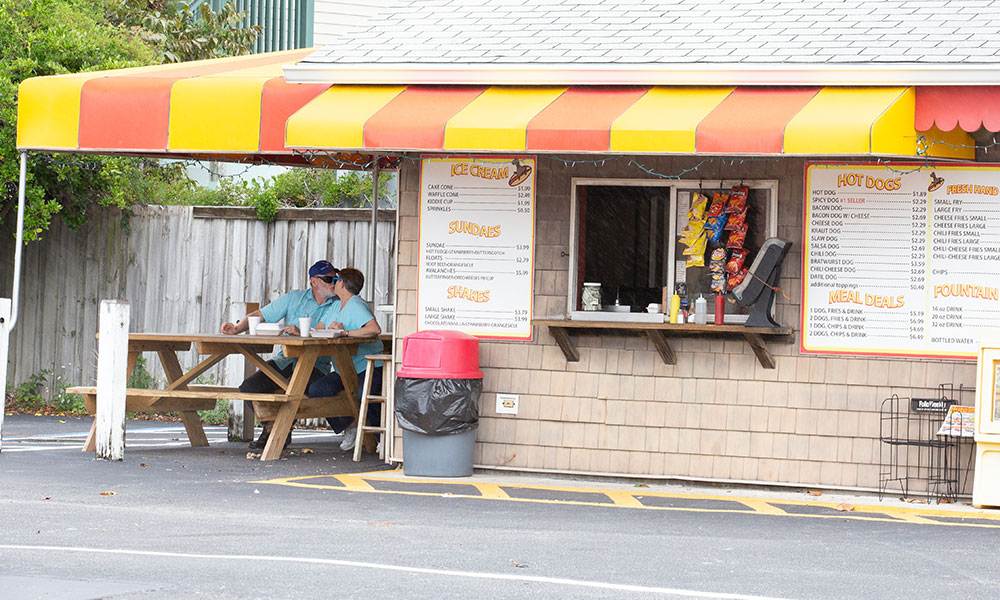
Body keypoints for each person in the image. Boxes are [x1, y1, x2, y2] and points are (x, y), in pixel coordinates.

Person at [221, 260, 340, 450]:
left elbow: (326, 328)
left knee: (292, 389)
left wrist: (301, 331)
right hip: (285, 360)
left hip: (316, 365)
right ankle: (271, 428)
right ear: (314, 281)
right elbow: (262, 314)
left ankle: (277, 433)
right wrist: (236, 329)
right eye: (328, 278)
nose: (334, 282)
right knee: (249, 387)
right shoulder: (294, 298)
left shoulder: (338, 304)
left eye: (336, 277)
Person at [306, 267, 383, 451]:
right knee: (317, 389)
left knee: (364, 395)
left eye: (336, 280)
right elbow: (317, 329)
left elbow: (374, 329)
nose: (333, 283)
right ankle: (351, 426)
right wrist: (323, 329)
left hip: (368, 366)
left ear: (342, 283)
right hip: (343, 368)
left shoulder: (356, 304)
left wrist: (345, 332)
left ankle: (381, 439)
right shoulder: (334, 306)